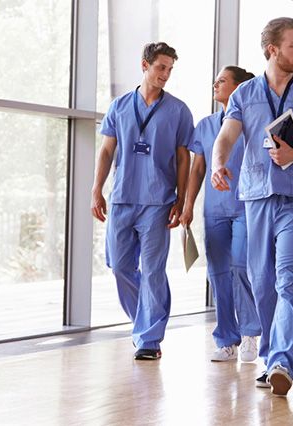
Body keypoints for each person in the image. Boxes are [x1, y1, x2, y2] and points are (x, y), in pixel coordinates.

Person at [210, 17, 293, 396]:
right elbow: (226, 137)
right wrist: (219, 164)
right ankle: (270, 358)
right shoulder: (245, 94)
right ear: (273, 50)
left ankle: (283, 360)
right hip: (256, 197)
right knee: (263, 282)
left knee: (288, 279)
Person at [91, 42, 193, 361]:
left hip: (158, 200)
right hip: (122, 198)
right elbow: (107, 151)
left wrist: (181, 198)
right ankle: (142, 323)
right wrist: (97, 189)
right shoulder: (120, 106)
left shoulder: (178, 110)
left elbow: (183, 158)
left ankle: (149, 338)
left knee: (152, 271)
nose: (165, 74)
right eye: (161, 67)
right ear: (145, 65)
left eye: (170, 69)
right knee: (120, 266)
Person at [180, 66, 262, 363]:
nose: (215, 84)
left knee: (240, 267)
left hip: (246, 207)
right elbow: (198, 169)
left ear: (240, 88)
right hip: (214, 210)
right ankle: (227, 339)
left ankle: (251, 333)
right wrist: (188, 206)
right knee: (217, 275)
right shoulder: (205, 125)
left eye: (222, 80)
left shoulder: (253, 123)